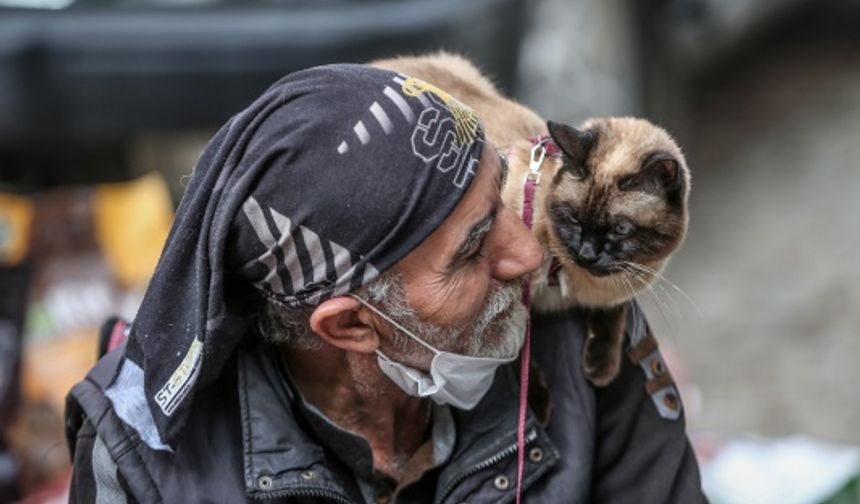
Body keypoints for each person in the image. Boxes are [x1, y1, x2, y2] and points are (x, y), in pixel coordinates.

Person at [65, 64, 707, 503]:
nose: (528, 258)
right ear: (350, 325)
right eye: (475, 246)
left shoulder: (579, 342)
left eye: (500, 202)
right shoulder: (142, 470)